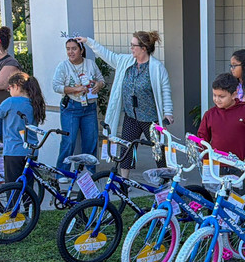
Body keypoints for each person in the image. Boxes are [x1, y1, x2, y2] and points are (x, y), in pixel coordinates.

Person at [78, 32, 173, 178]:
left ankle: (166, 182)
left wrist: (168, 113)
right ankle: (124, 183)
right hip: (131, 116)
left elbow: (165, 91)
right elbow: (106, 54)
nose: (131, 48)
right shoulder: (125, 61)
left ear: (144, 48)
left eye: (133, 45)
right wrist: (88, 41)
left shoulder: (156, 68)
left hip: (150, 119)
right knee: (126, 149)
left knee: (158, 151)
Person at [53, 38, 106, 176]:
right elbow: (56, 86)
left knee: (91, 140)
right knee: (68, 140)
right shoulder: (63, 66)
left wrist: (98, 85)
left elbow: (101, 80)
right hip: (71, 106)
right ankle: (62, 173)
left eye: (74, 48)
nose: (71, 52)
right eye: (68, 49)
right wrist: (73, 90)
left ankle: (89, 172)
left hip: (89, 107)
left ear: (81, 50)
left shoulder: (90, 64)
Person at [197, 73, 245, 162]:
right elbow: (202, 139)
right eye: (214, 95)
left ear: (234, 94)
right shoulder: (209, 114)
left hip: (240, 165)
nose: (217, 99)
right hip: (215, 165)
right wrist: (206, 159)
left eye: (221, 96)